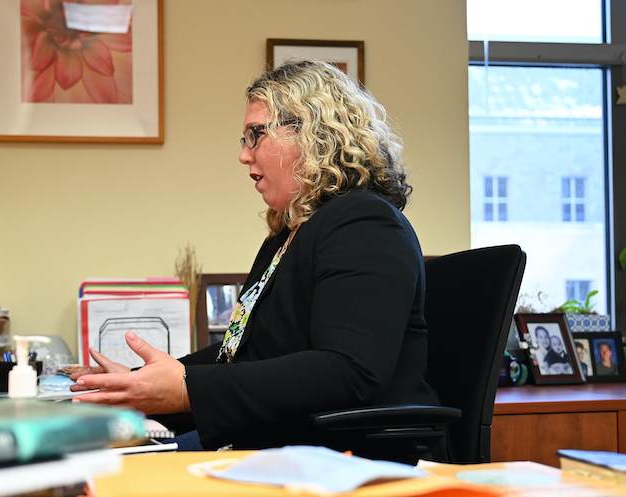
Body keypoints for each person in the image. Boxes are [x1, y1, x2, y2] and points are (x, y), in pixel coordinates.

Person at [70, 60, 440, 452]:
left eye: (255, 135)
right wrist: (138, 383)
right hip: (279, 441)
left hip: (344, 458)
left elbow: (346, 370)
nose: (244, 156)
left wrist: (185, 390)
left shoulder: (364, 223)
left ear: (311, 132)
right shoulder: (288, 234)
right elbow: (240, 350)